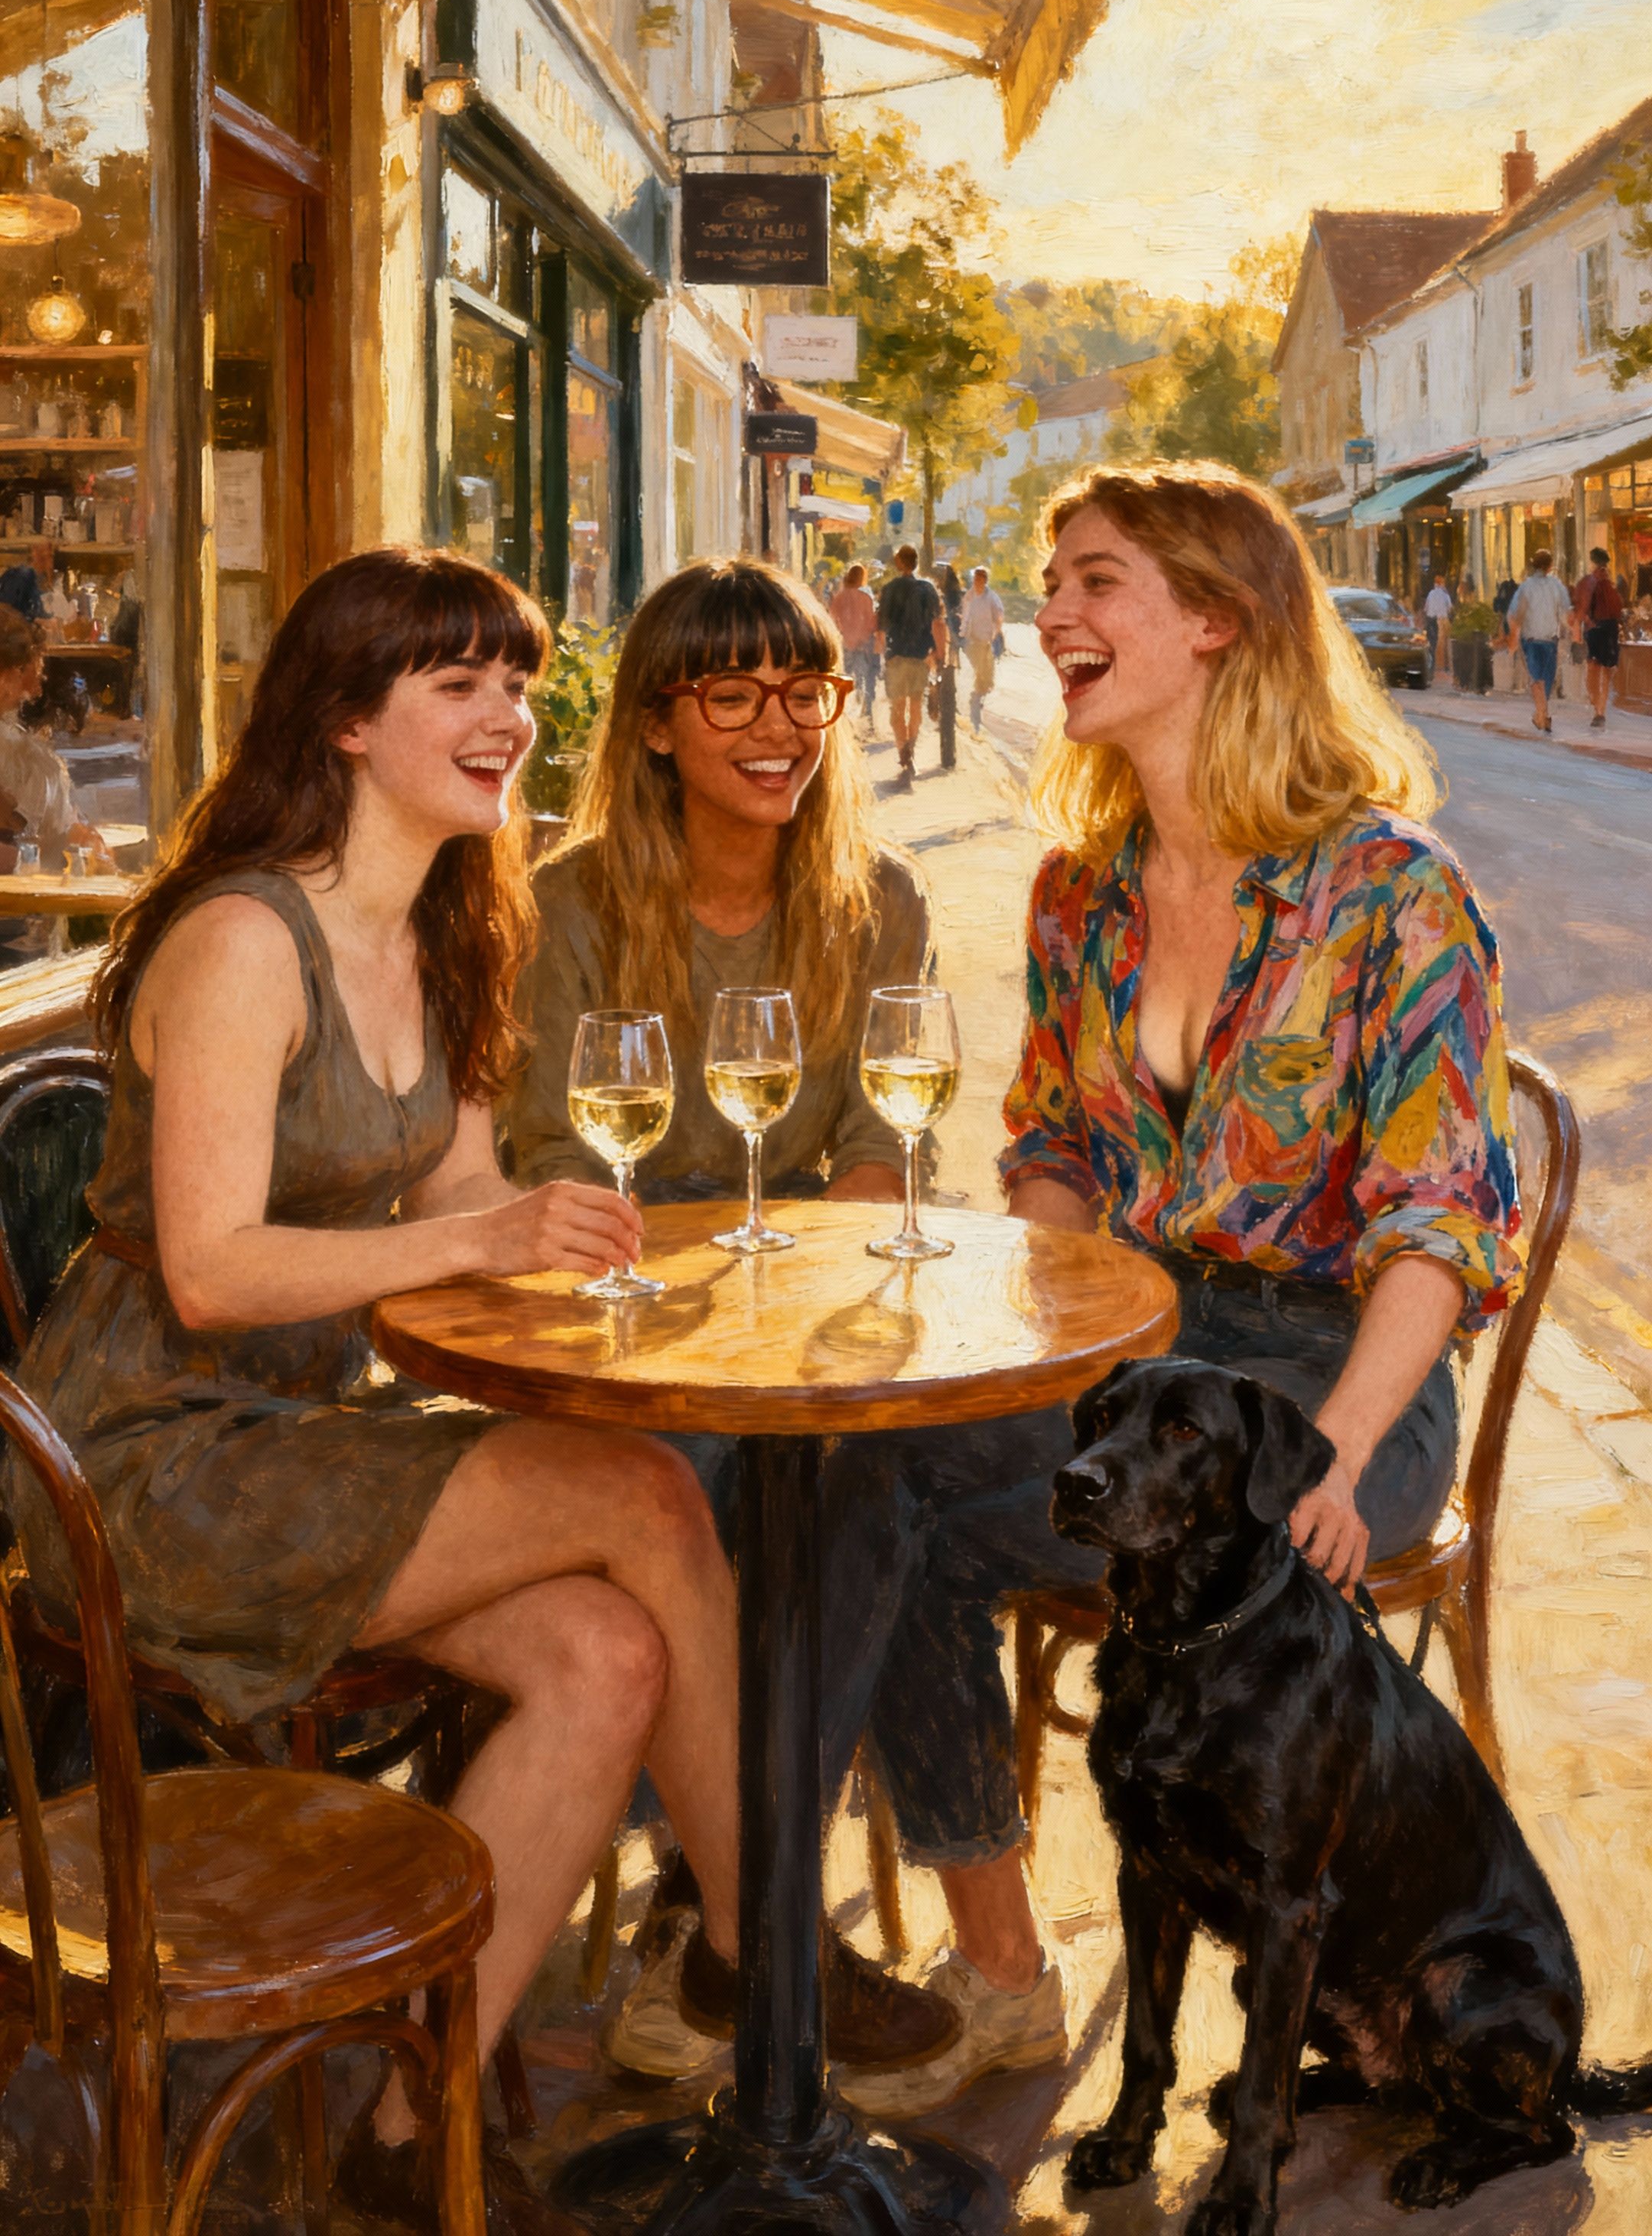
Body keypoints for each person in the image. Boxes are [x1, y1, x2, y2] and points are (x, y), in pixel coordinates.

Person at [10, 548, 742, 2235]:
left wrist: (594, 1278)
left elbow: (456, 1217)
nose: (513, 717)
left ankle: (411, 2130)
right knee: (647, 1496)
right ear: (347, 720)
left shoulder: (454, 919)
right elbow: (210, 1269)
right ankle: (760, 1972)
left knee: (607, 1647)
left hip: (306, 1436)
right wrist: (486, 1238)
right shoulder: (242, 940)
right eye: (462, 687)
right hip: (147, 1461)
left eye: (521, 682)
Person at [834, 461, 1519, 2121]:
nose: (1051, 612)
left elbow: (1437, 1226)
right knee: (854, 1474)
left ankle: (771, 1937)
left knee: (911, 1519)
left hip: (1326, 1376)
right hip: (1138, 1357)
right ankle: (983, 1966)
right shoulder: (1083, 890)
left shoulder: (1388, 892)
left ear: (1216, 620)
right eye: (1051, 581)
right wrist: (1049, 1301)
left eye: (1096, 582)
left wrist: (1337, 1457)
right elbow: (1054, 1141)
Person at [507, 555, 959, 2082]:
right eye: (735, 692)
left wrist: (834, 1215)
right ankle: (765, 1933)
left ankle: (713, 1912)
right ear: (652, 722)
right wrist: (747, 1250)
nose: (785, 726)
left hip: (795, 1337)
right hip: (619, 1340)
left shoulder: (875, 899)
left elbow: (893, 1144)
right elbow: (562, 1166)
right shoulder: (561, 908)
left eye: (809, 688)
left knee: (875, 1489)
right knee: (695, 1490)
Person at [0, 606, 112, 869]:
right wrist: (33, 859)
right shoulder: (26, 757)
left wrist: (78, 834)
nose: (36, 690)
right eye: (21, 672)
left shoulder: (22, 750)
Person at [876, 544, 946, 785]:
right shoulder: (928, 589)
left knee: (897, 709)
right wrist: (939, 652)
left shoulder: (889, 589)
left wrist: (882, 651)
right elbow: (938, 623)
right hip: (920, 655)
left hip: (896, 655)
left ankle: (903, 752)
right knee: (916, 706)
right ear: (915, 563)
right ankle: (911, 749)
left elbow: (881, 629)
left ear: (899, 563)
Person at [1507, 548, 1573, 733]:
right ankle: (1543, 715)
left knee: (1537, 680)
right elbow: (1566, 611)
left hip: (1532, 640)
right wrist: (1571, 631)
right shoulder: (1557, 585)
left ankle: (1542, 715)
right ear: (1550, 566)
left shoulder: (1526, 586)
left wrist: (1513, 637)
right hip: (1551, 640)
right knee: (1546, 680)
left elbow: (1515, 614)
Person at [828, 559, 880, 734]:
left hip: (844, 645)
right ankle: (867, 721)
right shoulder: (865, 598)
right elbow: (872, 623)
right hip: (861, 645)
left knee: (843, 683)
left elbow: (832, 619)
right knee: (863, 682)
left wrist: (842, 635)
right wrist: (864, 637)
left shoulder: (839, 598)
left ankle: (843, 721)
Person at [1576, 544, 1624, 730]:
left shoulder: (1589, 581)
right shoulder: (1612, 583)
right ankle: (1601, 710)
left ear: (1593, 562)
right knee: (1606, 672)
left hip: (1595, 629)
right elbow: (1619, 608)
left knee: (1593, 671)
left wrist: (1579, 629)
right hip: (1611, 628)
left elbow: (1582, 607)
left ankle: (1597, 710)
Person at [960, 566, 1006, 729]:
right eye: (976, 578)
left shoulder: (992, 598)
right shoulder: (969, 596)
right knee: (977, 666)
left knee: (986, 671)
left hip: (986, 638)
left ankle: (979, 693)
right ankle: (977, 693)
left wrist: (994, 634)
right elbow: (966, 614)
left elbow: (999, 618)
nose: (977, 581)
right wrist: (963, 632)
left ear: (985, 581)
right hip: (972, 638)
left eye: (980, 578)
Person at [936, 562, 965, 769]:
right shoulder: (954, 596)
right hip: (947, 651)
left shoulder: (949, 597)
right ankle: (949, 755)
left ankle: (948, 754)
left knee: (946, 700)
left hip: (944, 650)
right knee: (947, 700)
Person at [1423, 575, 1453, 682]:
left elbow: (1426, 608)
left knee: (1433, 644)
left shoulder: (1430, 594)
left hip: (1432, 620)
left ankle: (1435, 667)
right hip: (1443, 620)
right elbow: (1450, 609)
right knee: (1445, 643)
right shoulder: (1445, 595)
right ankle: (1445, 666)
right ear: (1442, 584)